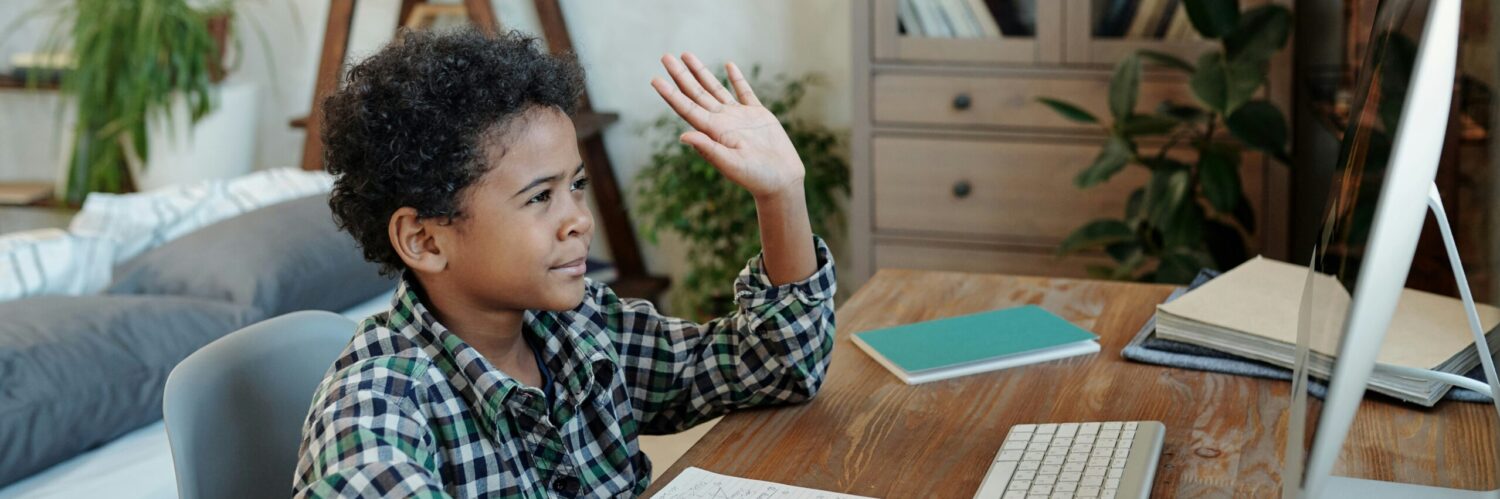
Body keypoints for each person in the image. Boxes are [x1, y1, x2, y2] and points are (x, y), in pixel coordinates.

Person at [292, 27, 837, 498]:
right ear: (425, 241)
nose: (579, 219)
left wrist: (782, 195)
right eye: (539, 197)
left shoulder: (580, 328)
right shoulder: (375, 406)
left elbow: (776, 365)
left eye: (576, 186)